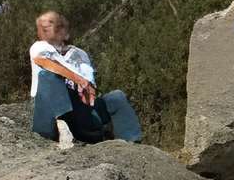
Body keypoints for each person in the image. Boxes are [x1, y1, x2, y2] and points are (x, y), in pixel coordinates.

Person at [27, 11, 145, 145]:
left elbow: (89, 86)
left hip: (80, 111)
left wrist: (88, 90)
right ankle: (60, 125)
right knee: (48, 76)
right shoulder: (40, 47)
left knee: (116, 97)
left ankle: (132, 143)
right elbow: (44, 62)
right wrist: (77, 79)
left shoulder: (79, 54)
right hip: (49, 110)